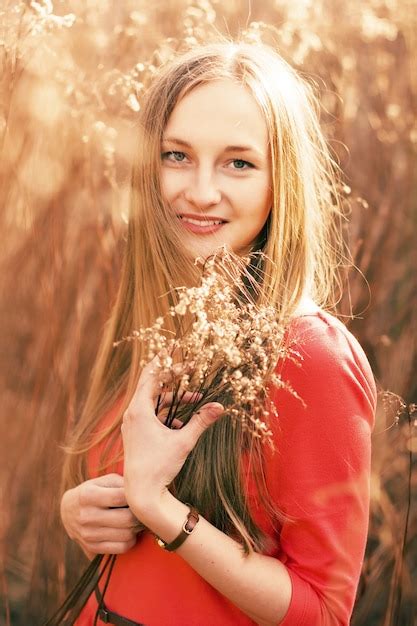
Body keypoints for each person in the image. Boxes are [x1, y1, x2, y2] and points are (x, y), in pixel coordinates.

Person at [59, 38, 376, 626]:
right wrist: (86, 517)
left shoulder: (310, 356)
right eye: (176, 155)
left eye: (239, 162)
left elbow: (326, 613)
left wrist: (163, 511)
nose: (199, 191)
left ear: (282, 182)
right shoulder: (161, 317)